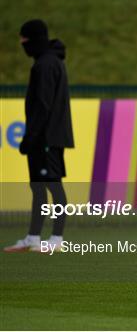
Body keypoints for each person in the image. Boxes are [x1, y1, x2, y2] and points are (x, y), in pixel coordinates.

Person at [3, 19, 74, 253]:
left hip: (47, 137)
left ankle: (57, 238)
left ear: (32, 39)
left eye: (24, 39)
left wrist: (31, 137)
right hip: (45, 136)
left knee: (53, 185)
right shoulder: (49, 62)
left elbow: (42, 105)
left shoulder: (45, 65)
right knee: (39, 186)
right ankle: (33, 237)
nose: (22, 44)